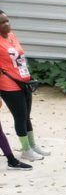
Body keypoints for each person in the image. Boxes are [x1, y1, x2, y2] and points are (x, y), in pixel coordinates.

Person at [0, 10, 44, 163]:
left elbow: (19, 59)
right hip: (9, 86)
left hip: (24, 82)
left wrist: (28, 76)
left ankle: (32, 145)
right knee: (20, 116)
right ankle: (25, 149)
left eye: (7, 21)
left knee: (26, 116)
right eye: (2, 22)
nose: (6, 24)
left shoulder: (12, 36)